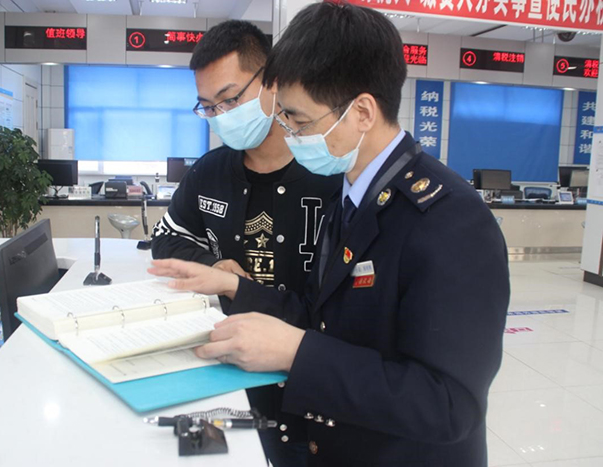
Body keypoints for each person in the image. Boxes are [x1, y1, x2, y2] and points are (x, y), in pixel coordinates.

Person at [149, 2, 510, 466]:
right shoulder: (353, 195)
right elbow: (322, 317)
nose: (288, 133)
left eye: (300, 121)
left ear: (362, 111)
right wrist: (234, 286)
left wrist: (297, 353)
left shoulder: (449, 220)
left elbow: (448, 405)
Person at [150, 20, 341, 466]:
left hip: (307, 390)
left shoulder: (330, 175)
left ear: (272, 82)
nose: (221, 116)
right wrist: (213, 265)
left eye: (231, 99)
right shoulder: (210, 172)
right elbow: (166, 238)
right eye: (208, 107)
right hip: (226, 377)